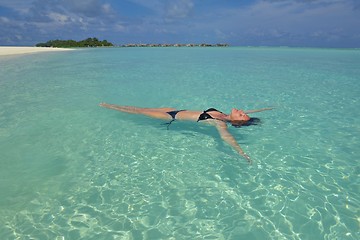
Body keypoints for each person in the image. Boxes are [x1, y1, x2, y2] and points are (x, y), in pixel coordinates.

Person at [99, 103, 273, 163]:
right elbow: (250, 111)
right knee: (142, 109)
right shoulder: (225, 115)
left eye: (242, 115)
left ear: (236, 121)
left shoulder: (220, 123)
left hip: (172, 117)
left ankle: (107, 106)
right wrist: (265, 109)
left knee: (138, 111)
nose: (242, 110)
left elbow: (226, 138)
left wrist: (242, 153)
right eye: (243, 112)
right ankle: (109, 105)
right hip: (174, 110)